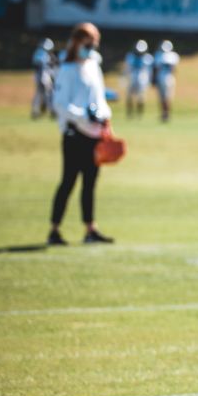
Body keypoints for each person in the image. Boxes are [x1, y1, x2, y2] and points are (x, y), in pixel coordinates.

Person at [49, 22, 115, 245]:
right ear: (77, 42)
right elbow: (59, 104)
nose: (92, 47)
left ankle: (90, 229)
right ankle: (54, 229)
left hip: (94, 133)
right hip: (75, 134)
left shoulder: (93, 66)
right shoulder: (67, 69)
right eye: (88, 43)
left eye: (94, 43)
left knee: (90, 183)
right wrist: (82, 117)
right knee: (68, 181)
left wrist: (104, 115)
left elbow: (100, 99)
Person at [124, 40, 153, 119]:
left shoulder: (147, 58)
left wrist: (149, 80)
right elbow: (127, 68)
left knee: (141, 97)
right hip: (132, 77)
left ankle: (139, 114)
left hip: (143, 78)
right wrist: (125, 77)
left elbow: (149, 71)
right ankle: (129, 113)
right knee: (129, 96)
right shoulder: (131, 56)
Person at [153, 40, 180, 122]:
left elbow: (157, 68)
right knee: (167, 97)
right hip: (170, 78)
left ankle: (165, 114)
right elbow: (174, 69)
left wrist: (154, 79)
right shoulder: (174, 56)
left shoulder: (159, 55)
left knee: (163, 98)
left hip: (162, 78)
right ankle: (166, 114)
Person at [30, 38, 57, 120]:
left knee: (44, 94)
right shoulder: (41, 53)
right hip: (42, 77)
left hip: (43, 77)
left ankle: (40, 111)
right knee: (45, 95)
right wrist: (42, 79)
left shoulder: (43, 53)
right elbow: (40, 67)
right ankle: (48, 111)